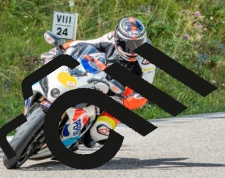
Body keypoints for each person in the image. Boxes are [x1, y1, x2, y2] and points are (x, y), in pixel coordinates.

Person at [43, 16, 156, 147]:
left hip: (122, 94)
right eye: (128, 44)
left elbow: (144, 95)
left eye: (137, 44)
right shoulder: (110, 38)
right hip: (100, 75)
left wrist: (122, 102)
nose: (132, 49)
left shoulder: (147, 59)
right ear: (118, 40)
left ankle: (79, 134)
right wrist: (60, 49)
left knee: (99, 133)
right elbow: (83, 44)